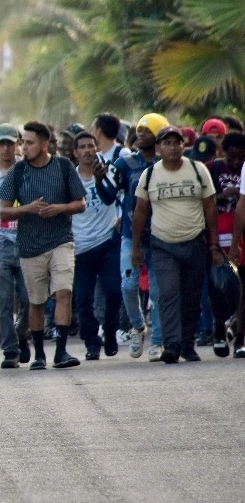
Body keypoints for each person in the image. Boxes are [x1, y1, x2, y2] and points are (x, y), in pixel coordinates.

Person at [0, 121, 87, 370]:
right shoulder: (17, 171)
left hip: (61, 240)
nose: (23, 147)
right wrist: (28, 209)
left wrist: (59, 208)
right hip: (29, 246)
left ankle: (61, 351)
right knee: (35, 302)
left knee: (63, 292)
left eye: (29, 143)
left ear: (45, 144)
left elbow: (80, 203)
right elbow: (3, 212)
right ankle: (39, 354)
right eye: (22, 142)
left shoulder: (63, 166)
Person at [132, 126, 221, 363]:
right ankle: (171, 344)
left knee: (191, 296)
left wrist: (213, 244)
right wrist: (136, 247)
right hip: (163, 244)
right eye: (167, 143)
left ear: (184, 146)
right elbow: (140, 212)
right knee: (168, 293)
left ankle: (187, 344)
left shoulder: (197, 169)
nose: (172, 147)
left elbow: (210, 207)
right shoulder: (150, 175)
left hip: (194, 242)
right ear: (159, 148)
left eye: (176, 142)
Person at [97, 113, 167, 361]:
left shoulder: (165, 164)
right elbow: (107, 196)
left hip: (160, 236)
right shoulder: (126, 163)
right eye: (138, 130)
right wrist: (98, 179)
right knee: (128, 285)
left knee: (158, 292)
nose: (140, 135)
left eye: (147, 131)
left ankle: (157, 341)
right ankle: (138, 326)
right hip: (130, 235)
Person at [72, 131, 121, 360]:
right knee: (83, 299)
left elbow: (111, 198)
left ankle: (110, 331)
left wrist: (100, 181)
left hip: (108, 241)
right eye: (82, 147)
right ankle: (92, 342)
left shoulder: (108, 170)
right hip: (81, 247)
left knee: (113, 292)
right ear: (75, 153)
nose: (87, 150)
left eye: (91, 146)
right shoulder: (70, 178)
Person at [0, 124, 31, 368]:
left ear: (18, 144)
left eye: (10, 144)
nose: (5, 148)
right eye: (1, 143)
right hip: (0, 244)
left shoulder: (27, 168)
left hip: (26, 243)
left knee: (30, 298)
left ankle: (21, 333)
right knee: (4, 302)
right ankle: (10, 351)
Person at [203, 131, 245, 355]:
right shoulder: (212, 169)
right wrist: (223, 195)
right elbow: (203, 201)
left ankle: (240, 337)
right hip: (217, 232)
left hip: (241, 234)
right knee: (218, 284)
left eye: (241, 158)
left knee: (242, 286)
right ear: (222, 153)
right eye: (232, 158)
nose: (237, 162)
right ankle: (218, 330)